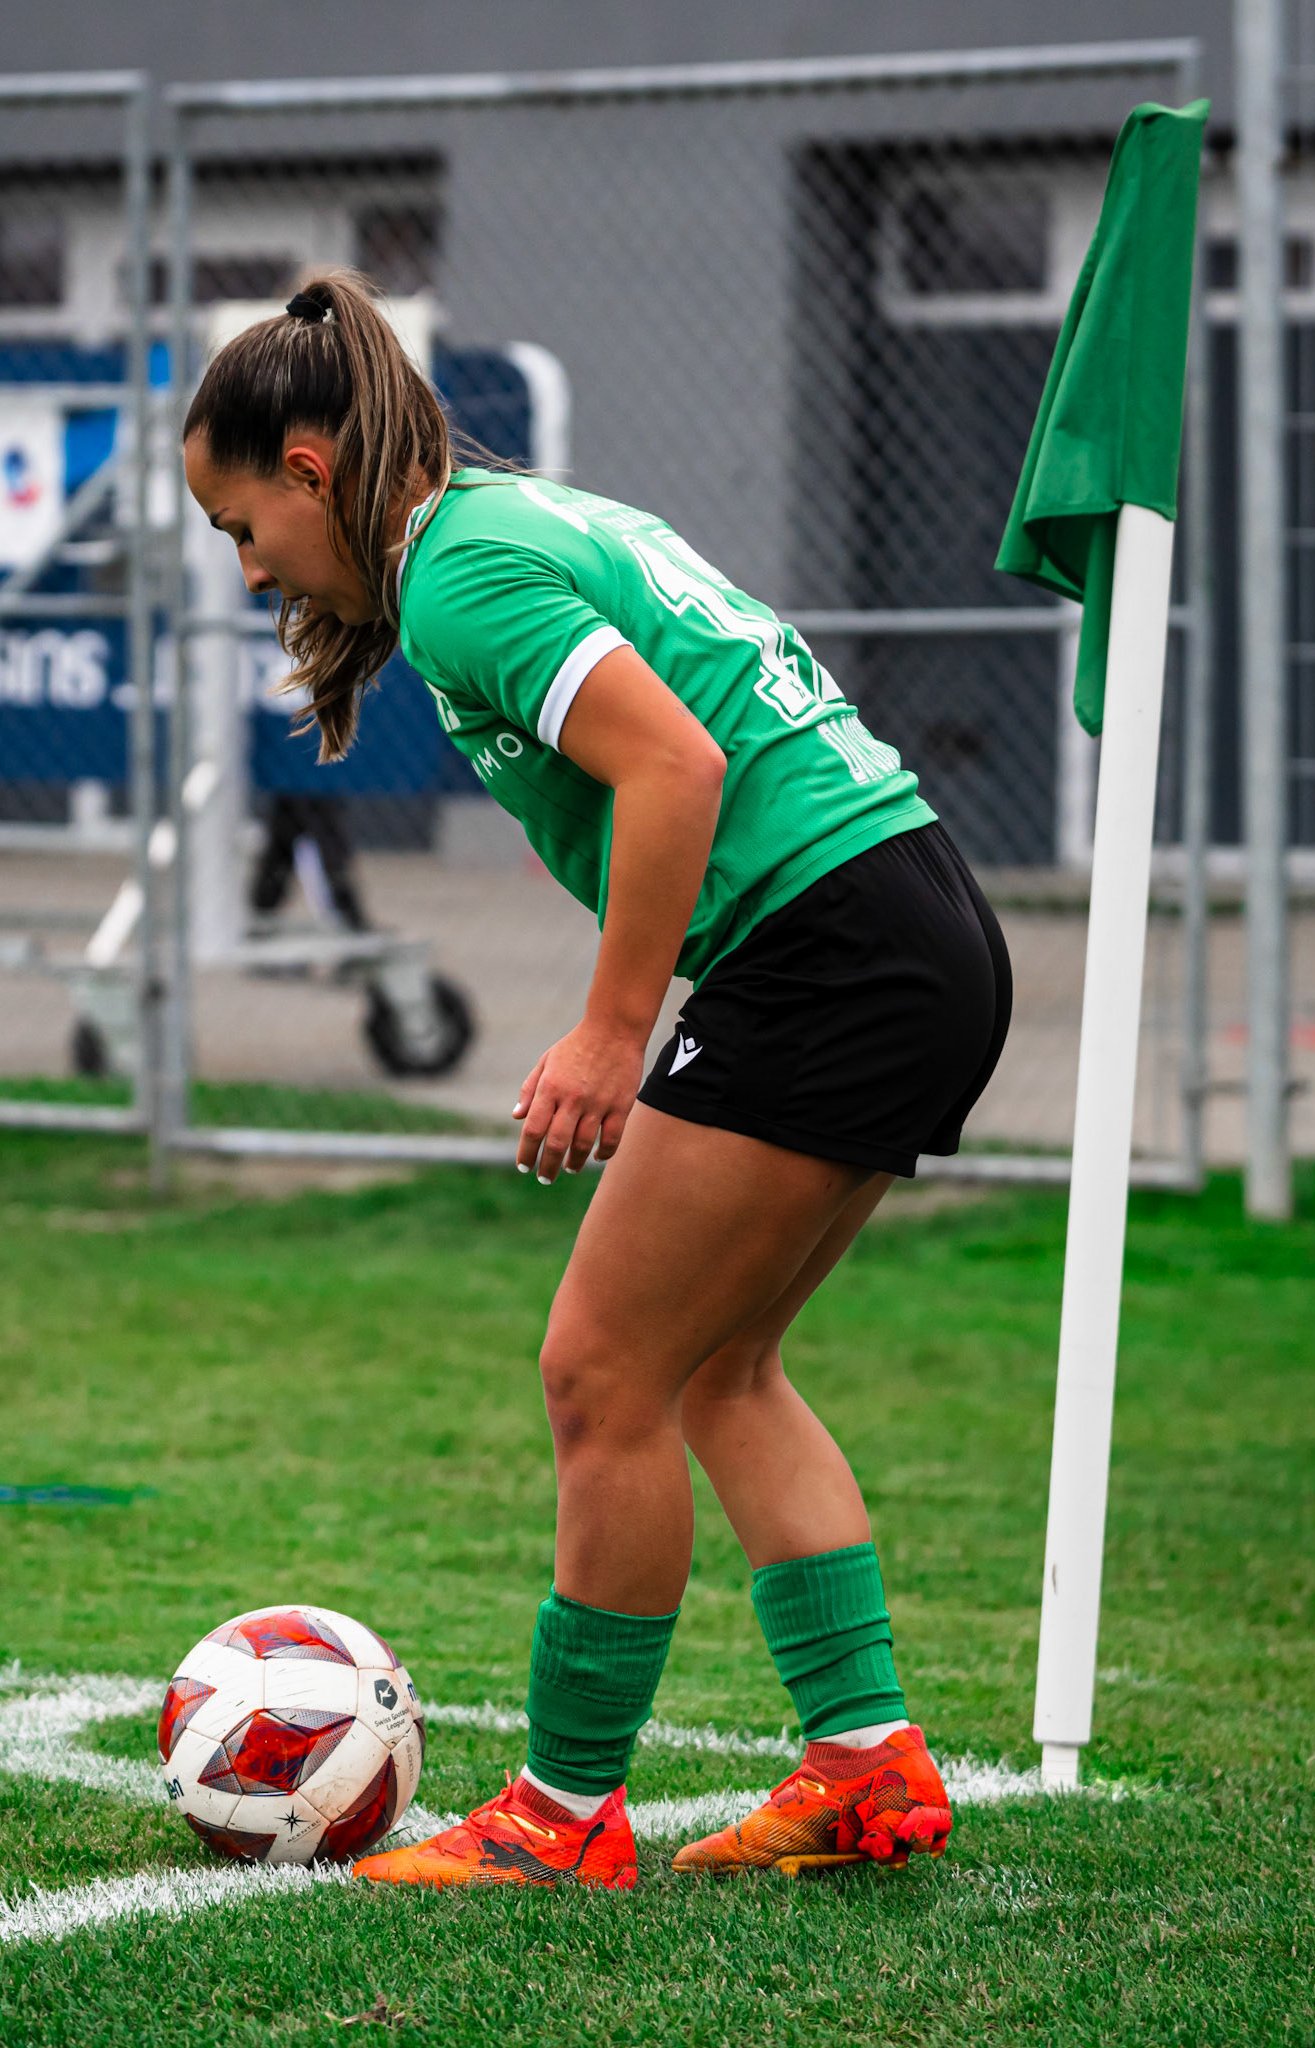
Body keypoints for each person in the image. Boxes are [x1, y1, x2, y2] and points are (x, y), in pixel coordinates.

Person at [181, 272, 1011, 1890]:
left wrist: (611, 1032)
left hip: (833, 945)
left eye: (241, 526)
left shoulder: (457, 573)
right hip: (907, 921)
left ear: (307, 467)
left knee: (600, 1370)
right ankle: (865, 1765)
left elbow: (673, 765)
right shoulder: (497, 524)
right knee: (717, 1369)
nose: (251, 567)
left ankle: (560, 1816)